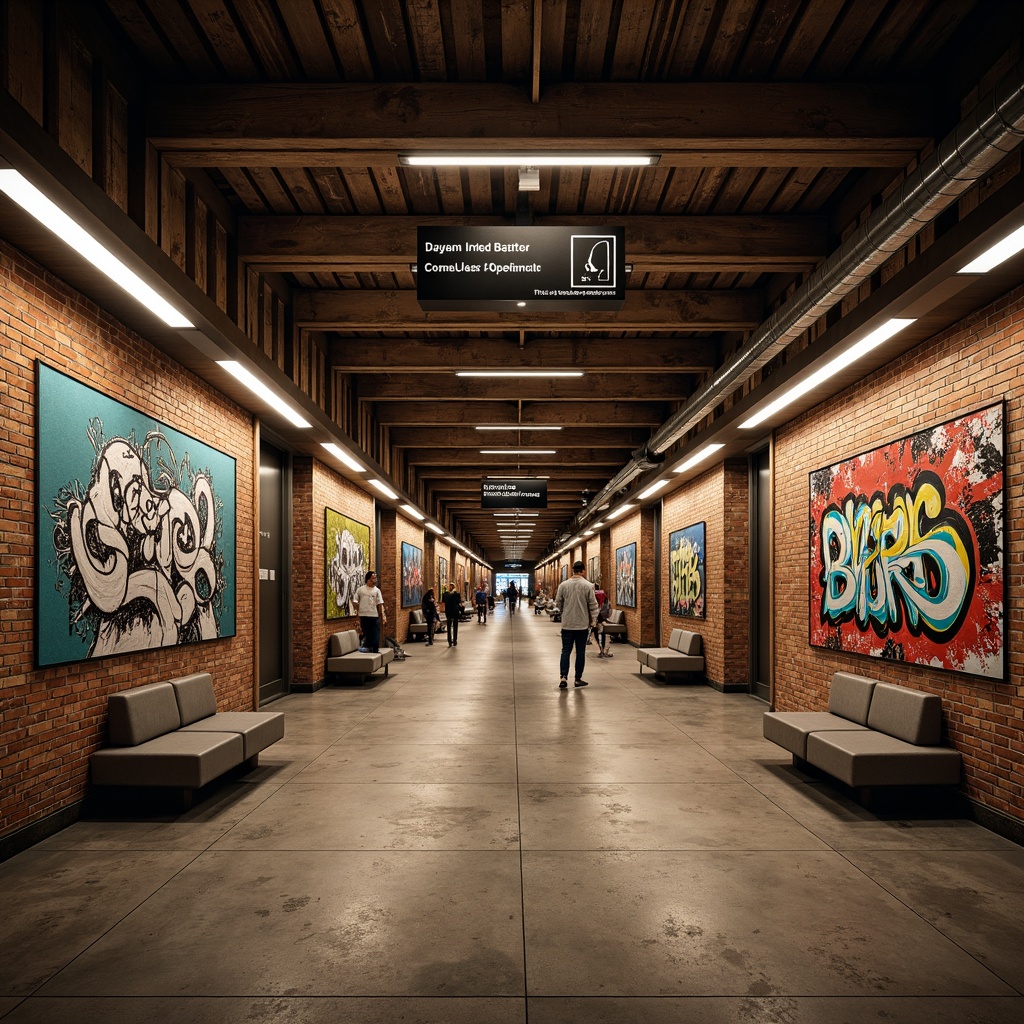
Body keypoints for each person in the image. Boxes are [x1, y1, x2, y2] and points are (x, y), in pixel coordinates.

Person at [555, 560, 598, 689]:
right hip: (582, 625)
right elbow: (593, 605)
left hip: (567, 624)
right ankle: (578, 679)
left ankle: (563, 677)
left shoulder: (563, 585)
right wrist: (594, 621)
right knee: (580, 652)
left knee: (565, 651)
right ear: (583, 571)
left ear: (572, 570)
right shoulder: (588, 585)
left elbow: (558, 602)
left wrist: (564, 612)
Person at [354, 570, 386, 653]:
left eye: (375, 579)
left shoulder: (377, 591)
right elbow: (355, 602)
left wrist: (383, 616)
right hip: (363, 615)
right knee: (366, 632)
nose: (374, 581)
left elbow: (380, 604)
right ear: (367, 580)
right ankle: (367, 647)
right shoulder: (361, 590)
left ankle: (375, 649)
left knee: (375, 633)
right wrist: (357, 614)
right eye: (372, 579)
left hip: (374, 616)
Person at [595, 590, 614, 658]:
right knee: (601, 636)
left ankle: (602, 650)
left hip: (599, 622)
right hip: (600, 622)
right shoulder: (604, 602)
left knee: (599, 636)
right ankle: (602, 650)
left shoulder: (602, 603)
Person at [441, 582, 462, 647]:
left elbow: (443, 601)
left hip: (448, 611)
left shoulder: (445, 594)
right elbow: (459, 602)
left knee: (449, 627)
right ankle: (454, 640)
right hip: (455, 611)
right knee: (455, 627)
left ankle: (449, 641)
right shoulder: (457, 594)